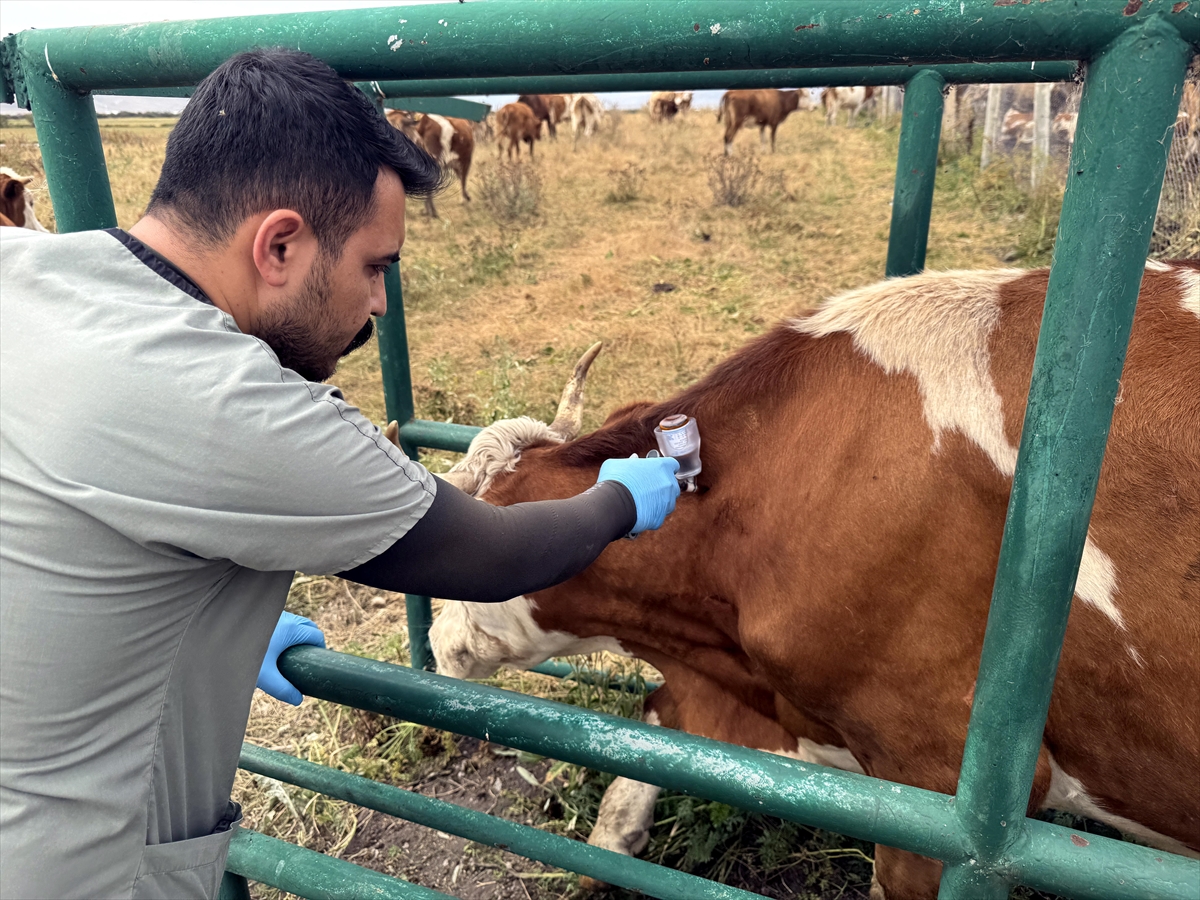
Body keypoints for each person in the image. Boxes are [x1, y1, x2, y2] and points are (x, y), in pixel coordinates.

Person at [0, 49, 680, 900]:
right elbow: (500, 555)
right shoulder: (233, 404)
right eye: (375, 267)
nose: (380, 306)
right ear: (280, 244)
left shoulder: (23, 273)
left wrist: (217, 638)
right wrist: (622, 496)